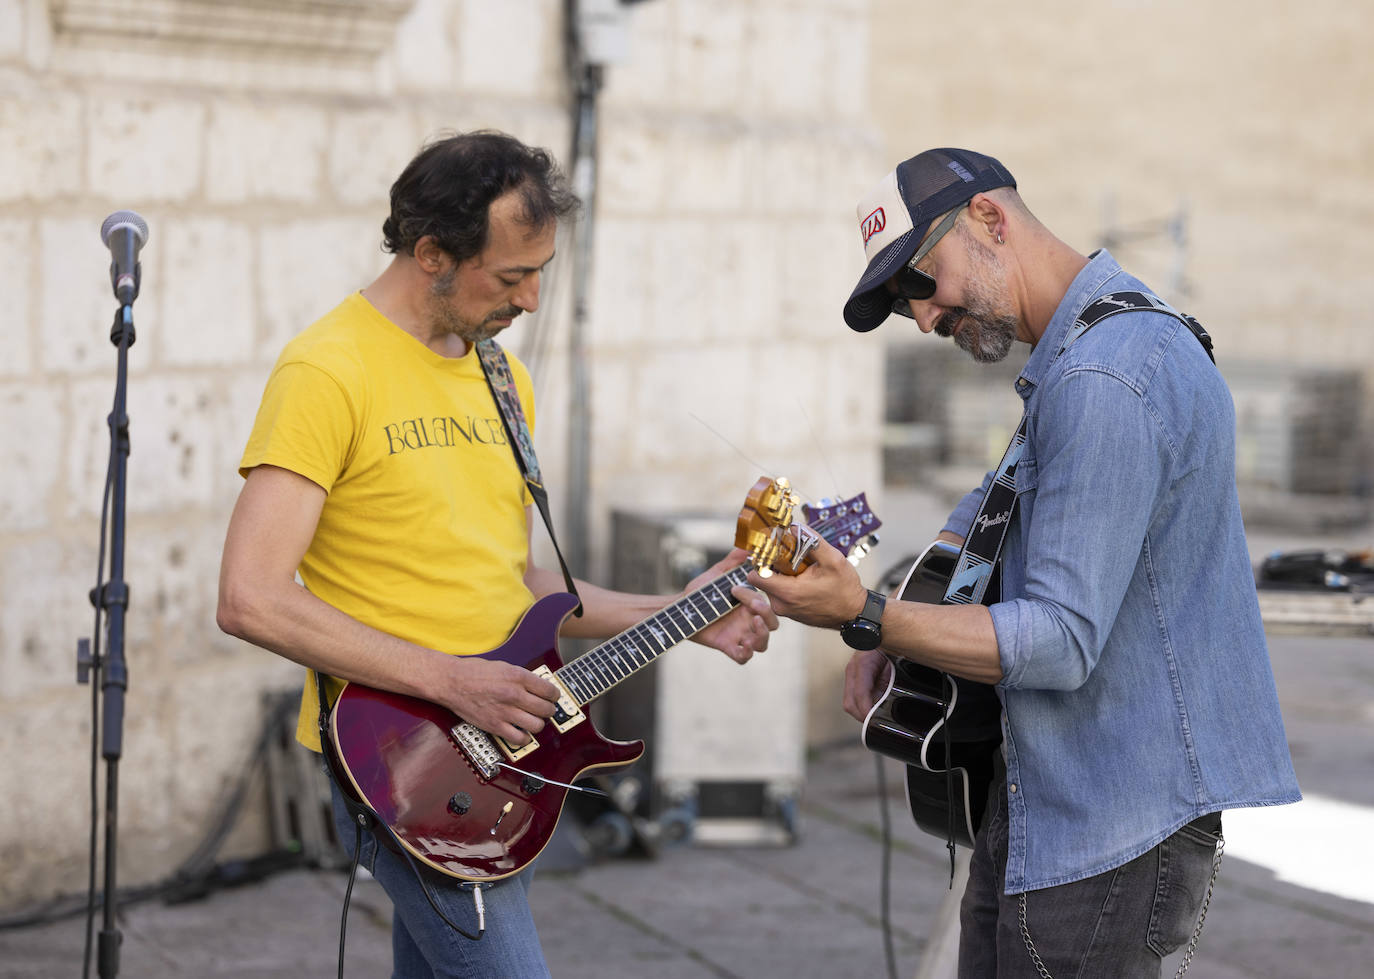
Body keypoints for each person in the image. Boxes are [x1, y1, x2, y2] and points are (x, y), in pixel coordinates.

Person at [216, 130, 778, 979]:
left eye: (542, 270)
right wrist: (451, 679)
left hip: (492, 756)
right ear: (432, 253)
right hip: (395, 757)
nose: (535, 298)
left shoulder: (499, 380)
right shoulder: (327, 370)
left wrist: (684, 612)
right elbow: (250, 596)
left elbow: (519, 580)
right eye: (513, 276)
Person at [750, 148, 1301, 977]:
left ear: (989, 221)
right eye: (903, 306)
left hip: (1110, 814)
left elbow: (1059, 639)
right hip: (1058, 791)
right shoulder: (1084, 349)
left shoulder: (1106, 377)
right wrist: (904, 619)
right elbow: (993, 502)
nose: (925, 320)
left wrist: (866, 613)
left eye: (919, 282)